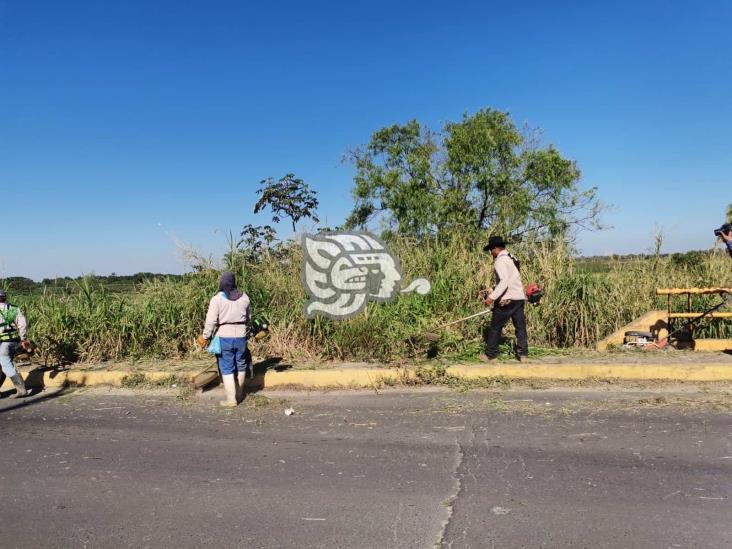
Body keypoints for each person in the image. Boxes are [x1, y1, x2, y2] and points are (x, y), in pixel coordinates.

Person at [198, 272, 251, 407]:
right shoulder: (244, 297)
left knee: (226, 367)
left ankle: (231, 399)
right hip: (241, 336)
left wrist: (205, 337)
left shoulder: (217, 298)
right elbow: (248, 319)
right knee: (241, 364)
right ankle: (240, 394)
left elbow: (211, 321)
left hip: (225, 337)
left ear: (222, 283)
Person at [479, 236, 529, 362]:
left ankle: (490, 355)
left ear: (495, 248)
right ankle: (523, 355)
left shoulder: (500, 261)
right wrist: (494, 288)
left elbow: (504, 281)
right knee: (520, 327)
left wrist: (491, 297)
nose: (491, 253)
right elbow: (511, 279)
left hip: (506, 300)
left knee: (495, 327)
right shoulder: (512, 258)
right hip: (518, 298)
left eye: (491, 249)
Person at [0, 290, 29, 398]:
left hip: (3, 344)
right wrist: (23, 338)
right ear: (5, 298)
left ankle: (21, 390)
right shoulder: (13, 308)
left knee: (6, 365)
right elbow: (23, 325)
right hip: (13, 341)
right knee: (2, 365)